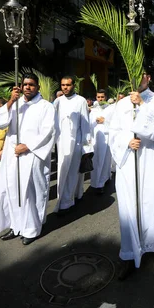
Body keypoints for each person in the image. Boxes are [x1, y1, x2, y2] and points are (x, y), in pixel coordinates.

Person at [109, 70, 154, 280]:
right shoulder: (122, 103)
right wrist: (127, 141)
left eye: (142, 75)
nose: (138, 78)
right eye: (134, 75)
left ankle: (153, 243)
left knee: (151, 203)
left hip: (150, 160)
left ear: (148, 78)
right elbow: (113, 131)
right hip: (128, 162)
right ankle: (129, 254)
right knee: (129, 208)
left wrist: (142, 106)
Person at [0, 73, 56, 245]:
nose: (28, 87)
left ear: (37, 87)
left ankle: (31, 229)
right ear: (20, 86)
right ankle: (16, 225)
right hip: (12, 155)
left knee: (29, 193)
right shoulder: (16, 104)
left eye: (32, 84)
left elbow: (48, 131)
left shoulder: (45, 107)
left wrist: (27, 146)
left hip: (32, 155)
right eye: (25, 84)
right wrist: (11, 101)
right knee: (11, 190)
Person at [53, 75, 90, 213]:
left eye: (68, 85)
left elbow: (85, 124)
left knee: (73, 171)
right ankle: (65, 199)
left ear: (73, 85)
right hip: (61, 142)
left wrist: (86, 145)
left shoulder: (81, 101)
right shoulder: (57, 101)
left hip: (77, 141)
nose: (65, 88)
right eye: (63, 85)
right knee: (63, 171)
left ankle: (69, 201)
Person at [89, 89, 112, 195]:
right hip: (95, 138)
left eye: (102, 97)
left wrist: (105, 121)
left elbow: (115, 123)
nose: (100, 99)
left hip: (107, 137)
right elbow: (89, 124)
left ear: (106, 97)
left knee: (105, 161)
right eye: (98, 97)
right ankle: (96, 182)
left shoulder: (111, 109)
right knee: (95, 161)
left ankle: (101, 182)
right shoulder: (93, 110)